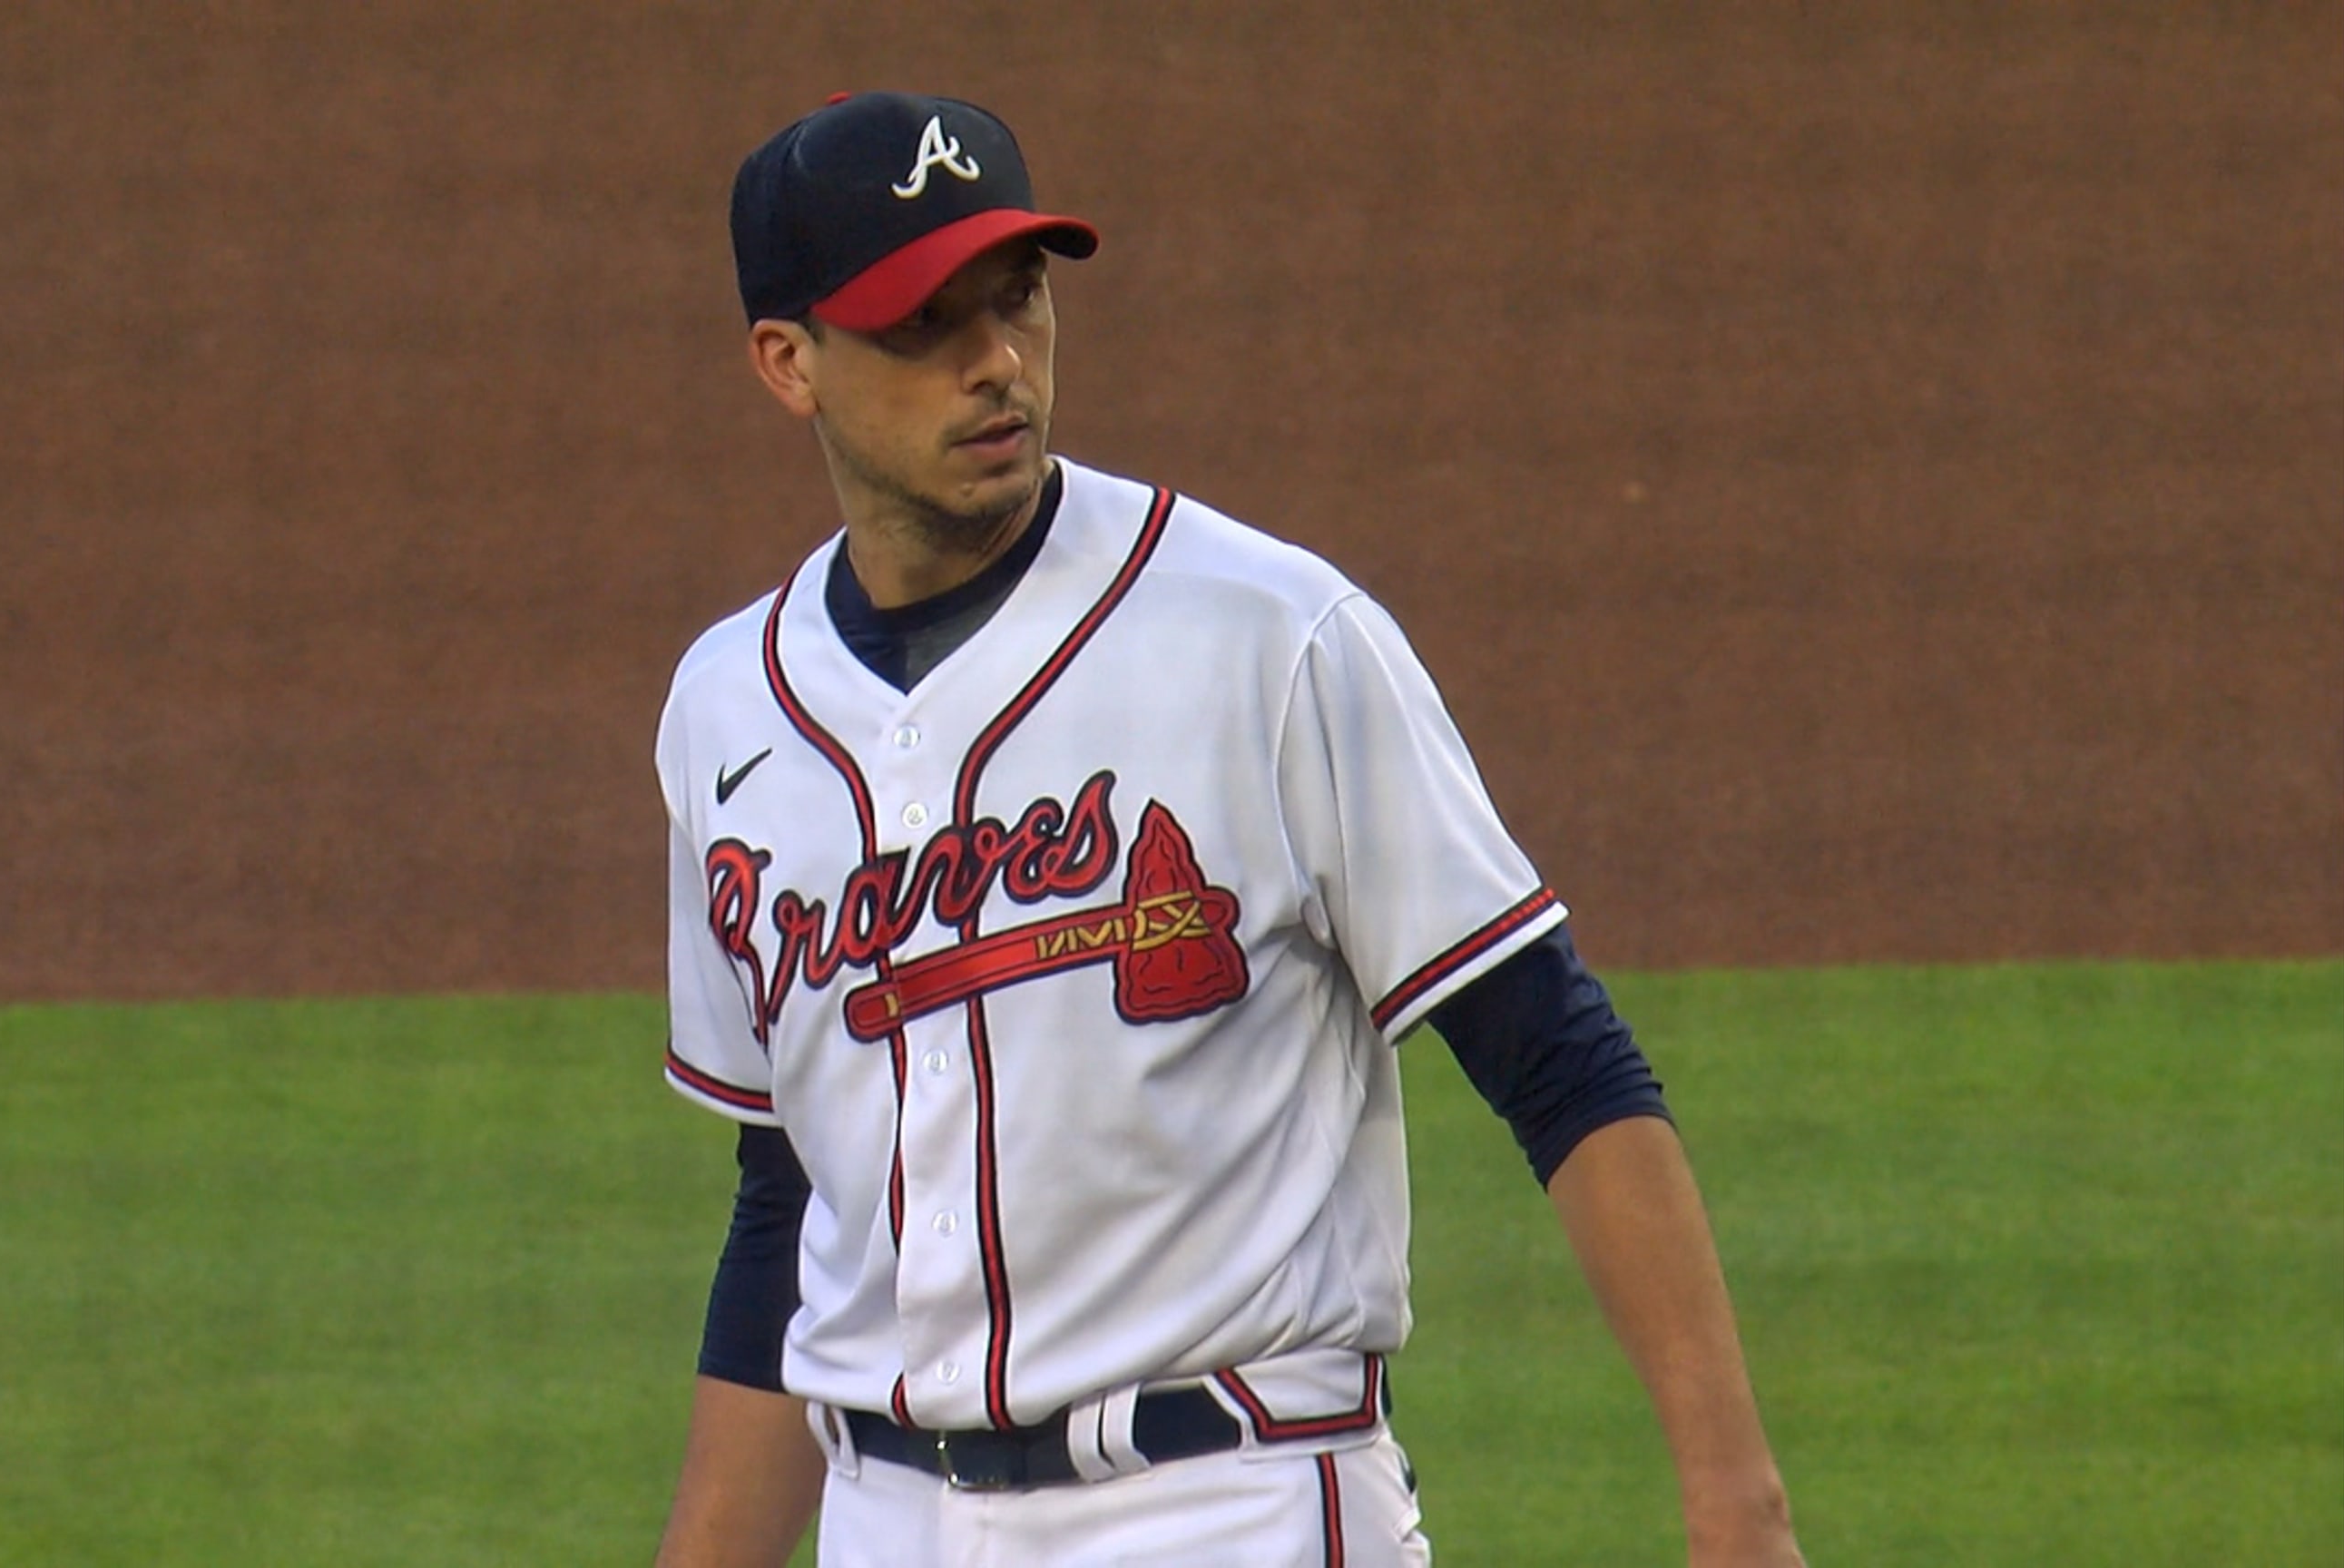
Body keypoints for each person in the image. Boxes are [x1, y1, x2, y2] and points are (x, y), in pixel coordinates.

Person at [651, 90, 1803, 1567]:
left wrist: (1736, 1502)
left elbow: (1558, 1059)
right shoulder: (727, 711)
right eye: (922, 324)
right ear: (787, 363)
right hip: (888, 1520)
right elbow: (789, 1196)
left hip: (1230, 1504)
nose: (994, 362)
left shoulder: (1270, 635)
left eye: (1016, 300)